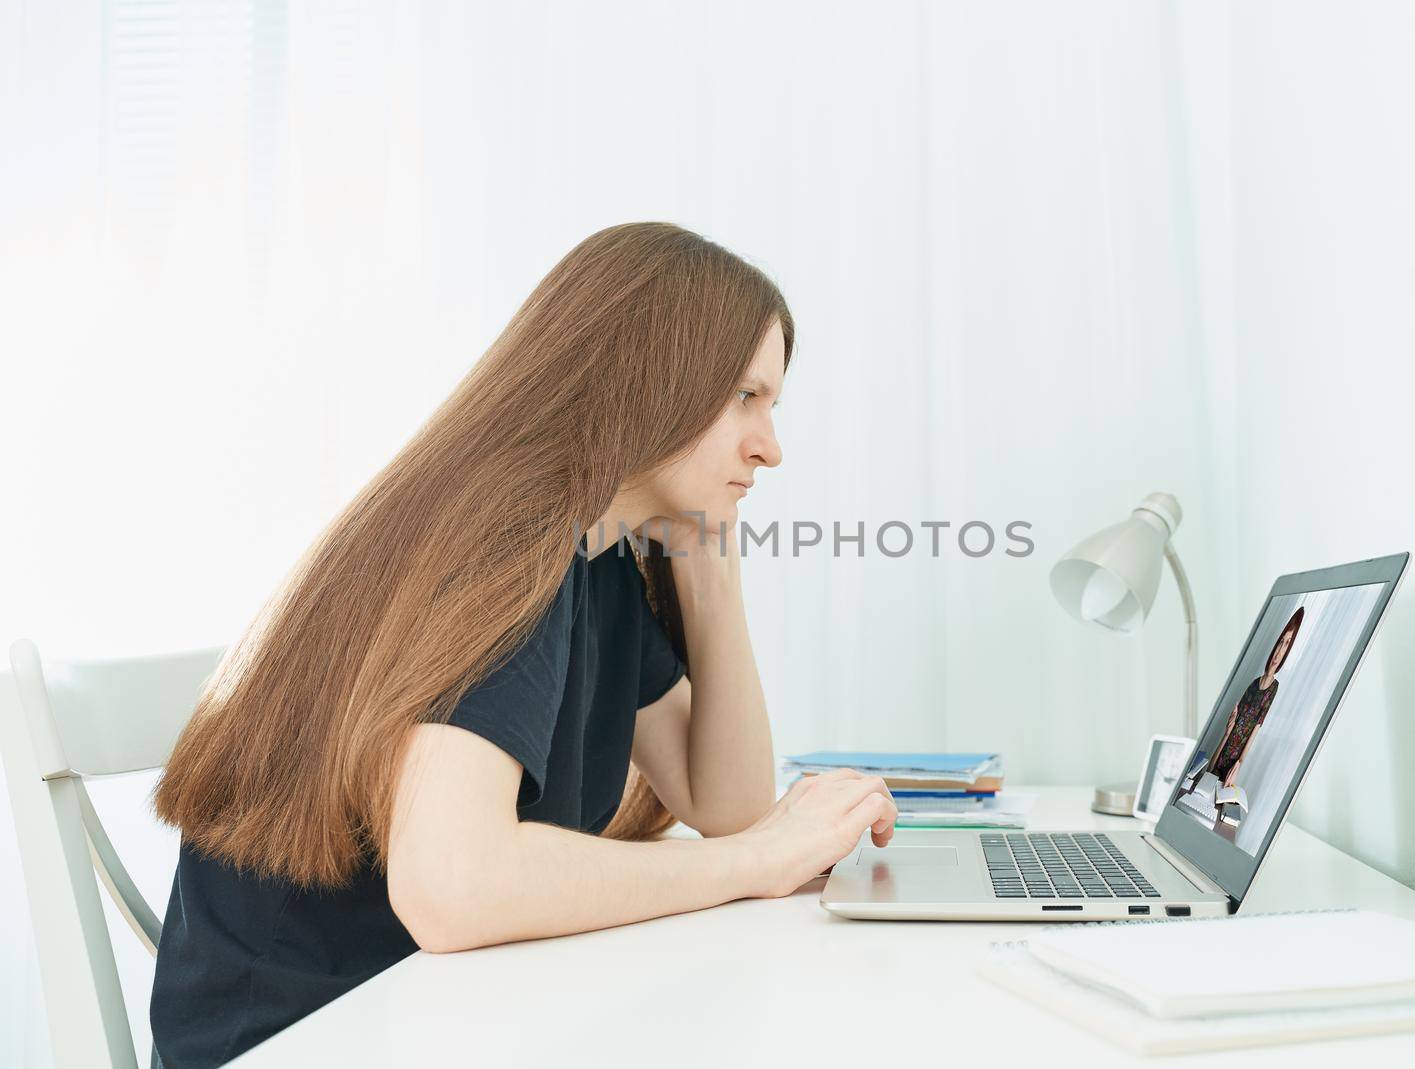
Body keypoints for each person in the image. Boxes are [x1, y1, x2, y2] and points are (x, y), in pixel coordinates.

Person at [147, 223, 899, 1068]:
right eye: (745, 398)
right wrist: (754, 862)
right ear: (653, 377)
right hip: (305, 1039)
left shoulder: (599, 553)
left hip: (430, 1017)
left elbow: (722, 799)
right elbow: (452, 886)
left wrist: (709, 575)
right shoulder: (510, 536)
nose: (770, 446)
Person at [1206, 607, 1305, 788]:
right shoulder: (1253, 684)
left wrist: (1239, 764)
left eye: (1287, 644)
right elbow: (1230, 729)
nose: (1279, 651)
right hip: (1221, 755)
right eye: (1280, 642)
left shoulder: (1273, 689)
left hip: (1232, 765)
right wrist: (1227, 734)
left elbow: (1255, 731)